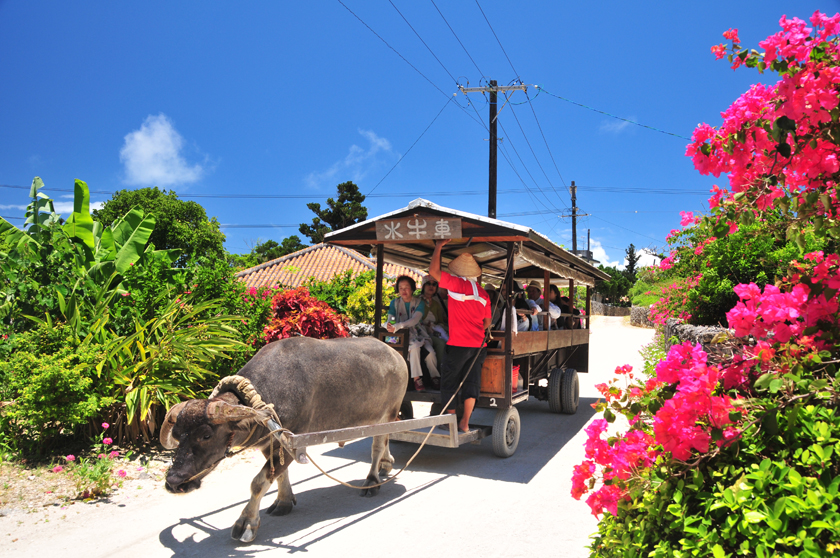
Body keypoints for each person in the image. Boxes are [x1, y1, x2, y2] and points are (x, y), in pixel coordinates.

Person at [430, 240, 492, 433]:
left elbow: (433, 272)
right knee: (472, 382)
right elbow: (487, 322)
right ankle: (464, 422)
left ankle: (450, 422)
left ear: (458, 272)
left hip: (458, 345)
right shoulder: (483, 294)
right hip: (478, 346)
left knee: (450, 381)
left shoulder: (456, 284)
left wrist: (438, 246)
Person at [386, 275, 440, 391]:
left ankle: (434, 376)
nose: (403, 290)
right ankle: (416, 379)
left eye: (406, 287)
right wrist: (390, 325)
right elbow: (390, 319)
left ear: (412, 289)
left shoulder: (419, 303)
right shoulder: (394, 303)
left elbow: (415, 320)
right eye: (400, 288)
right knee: (414, 346)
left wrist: (398, 325)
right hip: (399, 335)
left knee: (430, 352)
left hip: (418, 333)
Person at [420, 275, 448, 371]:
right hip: (420, 332)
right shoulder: (417, 300)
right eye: (428, 284)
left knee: (443, 343)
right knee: (440, 344)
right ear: (423, 285)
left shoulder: (436, 304)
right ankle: (436, 374)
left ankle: (441, 372)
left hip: (433, 332)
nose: (431, 286)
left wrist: (435, 327)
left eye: (434, 284)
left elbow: (440, 322)